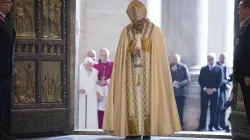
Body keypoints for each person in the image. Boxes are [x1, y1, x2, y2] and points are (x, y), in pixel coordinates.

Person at [103, 0, 181, 139]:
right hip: (130, 77)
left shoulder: (154, 32)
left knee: (147, 103)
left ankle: (146, 131)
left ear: (144, 18)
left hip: (149, 78)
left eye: (138, 22)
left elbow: (159, 60)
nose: (136, 25)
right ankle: (131, 131)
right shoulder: (126, 31)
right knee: (131, 105)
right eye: (134, 22)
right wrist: (131, 54)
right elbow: (121, 58)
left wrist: (144, 54)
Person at [0, 0, 15, 139]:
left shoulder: (7, 22)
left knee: (3, 101)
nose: (11, 5)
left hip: (6, 69)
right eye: (9, 2)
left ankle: (1, 129)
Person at [197, 53, 223, 131]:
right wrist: (205, 89)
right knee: (203, 109)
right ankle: (202, 126)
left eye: (212, 59)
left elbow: (220, 81)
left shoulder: (219, 68)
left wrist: (213, 89)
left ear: (215, 59)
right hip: (205, 92)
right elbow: (200, 80)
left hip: (215, 92)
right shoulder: (203, 69)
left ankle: (212, 126)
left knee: (213, 110)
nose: (210, 60)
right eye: (209, 59)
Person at [234, 0, 250, 125]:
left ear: (247, 9)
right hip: (242, 74)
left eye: (240, 9)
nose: (238, 12)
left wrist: (248, 74)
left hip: (247, 75)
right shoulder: (245, 24)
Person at [79, 57, 103, 129]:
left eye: (91, 65)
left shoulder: (95, 71)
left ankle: (92, 128)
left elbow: (96, 83)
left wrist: (99, 93)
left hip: (92, 95)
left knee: (92, 113)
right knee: (82, 112)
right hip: (82, 95)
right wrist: (79, 89)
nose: (90, 67)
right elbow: (76, 82)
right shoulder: (79, 71)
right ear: (84, 65)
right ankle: (81, 128)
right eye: (88, 65)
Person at [94, 48, 113, 129]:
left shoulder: (113, 64)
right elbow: (93, 78)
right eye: (102, 55)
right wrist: (98, 82)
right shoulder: (95, 65)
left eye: (106, 55)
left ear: (108, 55)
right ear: (99, 56)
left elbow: (116, 76)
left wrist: (106, 82)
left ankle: (110, 127)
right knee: (100, 108)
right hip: (99, 90)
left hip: (110, 89)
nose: (104, 57)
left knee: (109, 108)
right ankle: (100, 127)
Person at [170, 54, 190, 128]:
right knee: (172, 109)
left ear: (179, 59)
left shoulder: (183, 67)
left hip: (181, 92)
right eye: (174, 59)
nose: (175, 60)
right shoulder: (170, 66)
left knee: (180, 110)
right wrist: (172, 71)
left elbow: (188, 79)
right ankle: (172, 125)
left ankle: (180, 125)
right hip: (172, 92)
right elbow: (167, 76)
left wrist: (180, 84)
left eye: (176, 59)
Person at [215, 53, 230, 130]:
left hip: (224, 89)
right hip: (219, 89)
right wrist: (226, 84)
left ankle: (222, 123)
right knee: (219, 107)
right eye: (223, 58)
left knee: (224, 106)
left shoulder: (225, 66)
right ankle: (217, 124)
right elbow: (219, 79)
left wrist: (229, 83)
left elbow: (227, 77)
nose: (224, 59)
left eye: (225, 58)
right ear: (220, 58)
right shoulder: (217, 66)